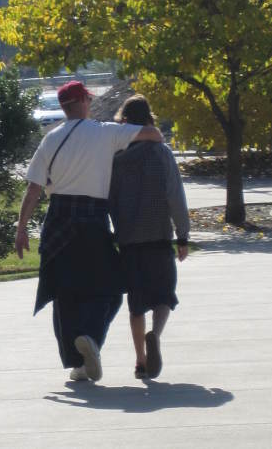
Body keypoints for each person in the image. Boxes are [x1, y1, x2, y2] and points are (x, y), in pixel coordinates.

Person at [15, 81, 163, 382]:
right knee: (110, 290)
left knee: (64, 294)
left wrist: (20, 229)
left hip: (58, 221)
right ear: (83, 100)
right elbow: (154, 134)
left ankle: (77, 362)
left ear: (63, 107)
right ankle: (91, 340)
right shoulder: (105, 132)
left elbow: (33, 190)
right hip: (93, 220)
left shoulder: (50, 140)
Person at [109, 94, 190, 379]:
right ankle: (155, 334)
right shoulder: (162, 153)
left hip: (130, 240)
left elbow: (110, 199)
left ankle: (141, 361)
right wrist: (183, 235)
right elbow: (176, 197)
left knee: (136, 303)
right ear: (150, 119)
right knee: (164, 296)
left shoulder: (116, 159)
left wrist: (117, 228)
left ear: (125, 121)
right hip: (158, 236)